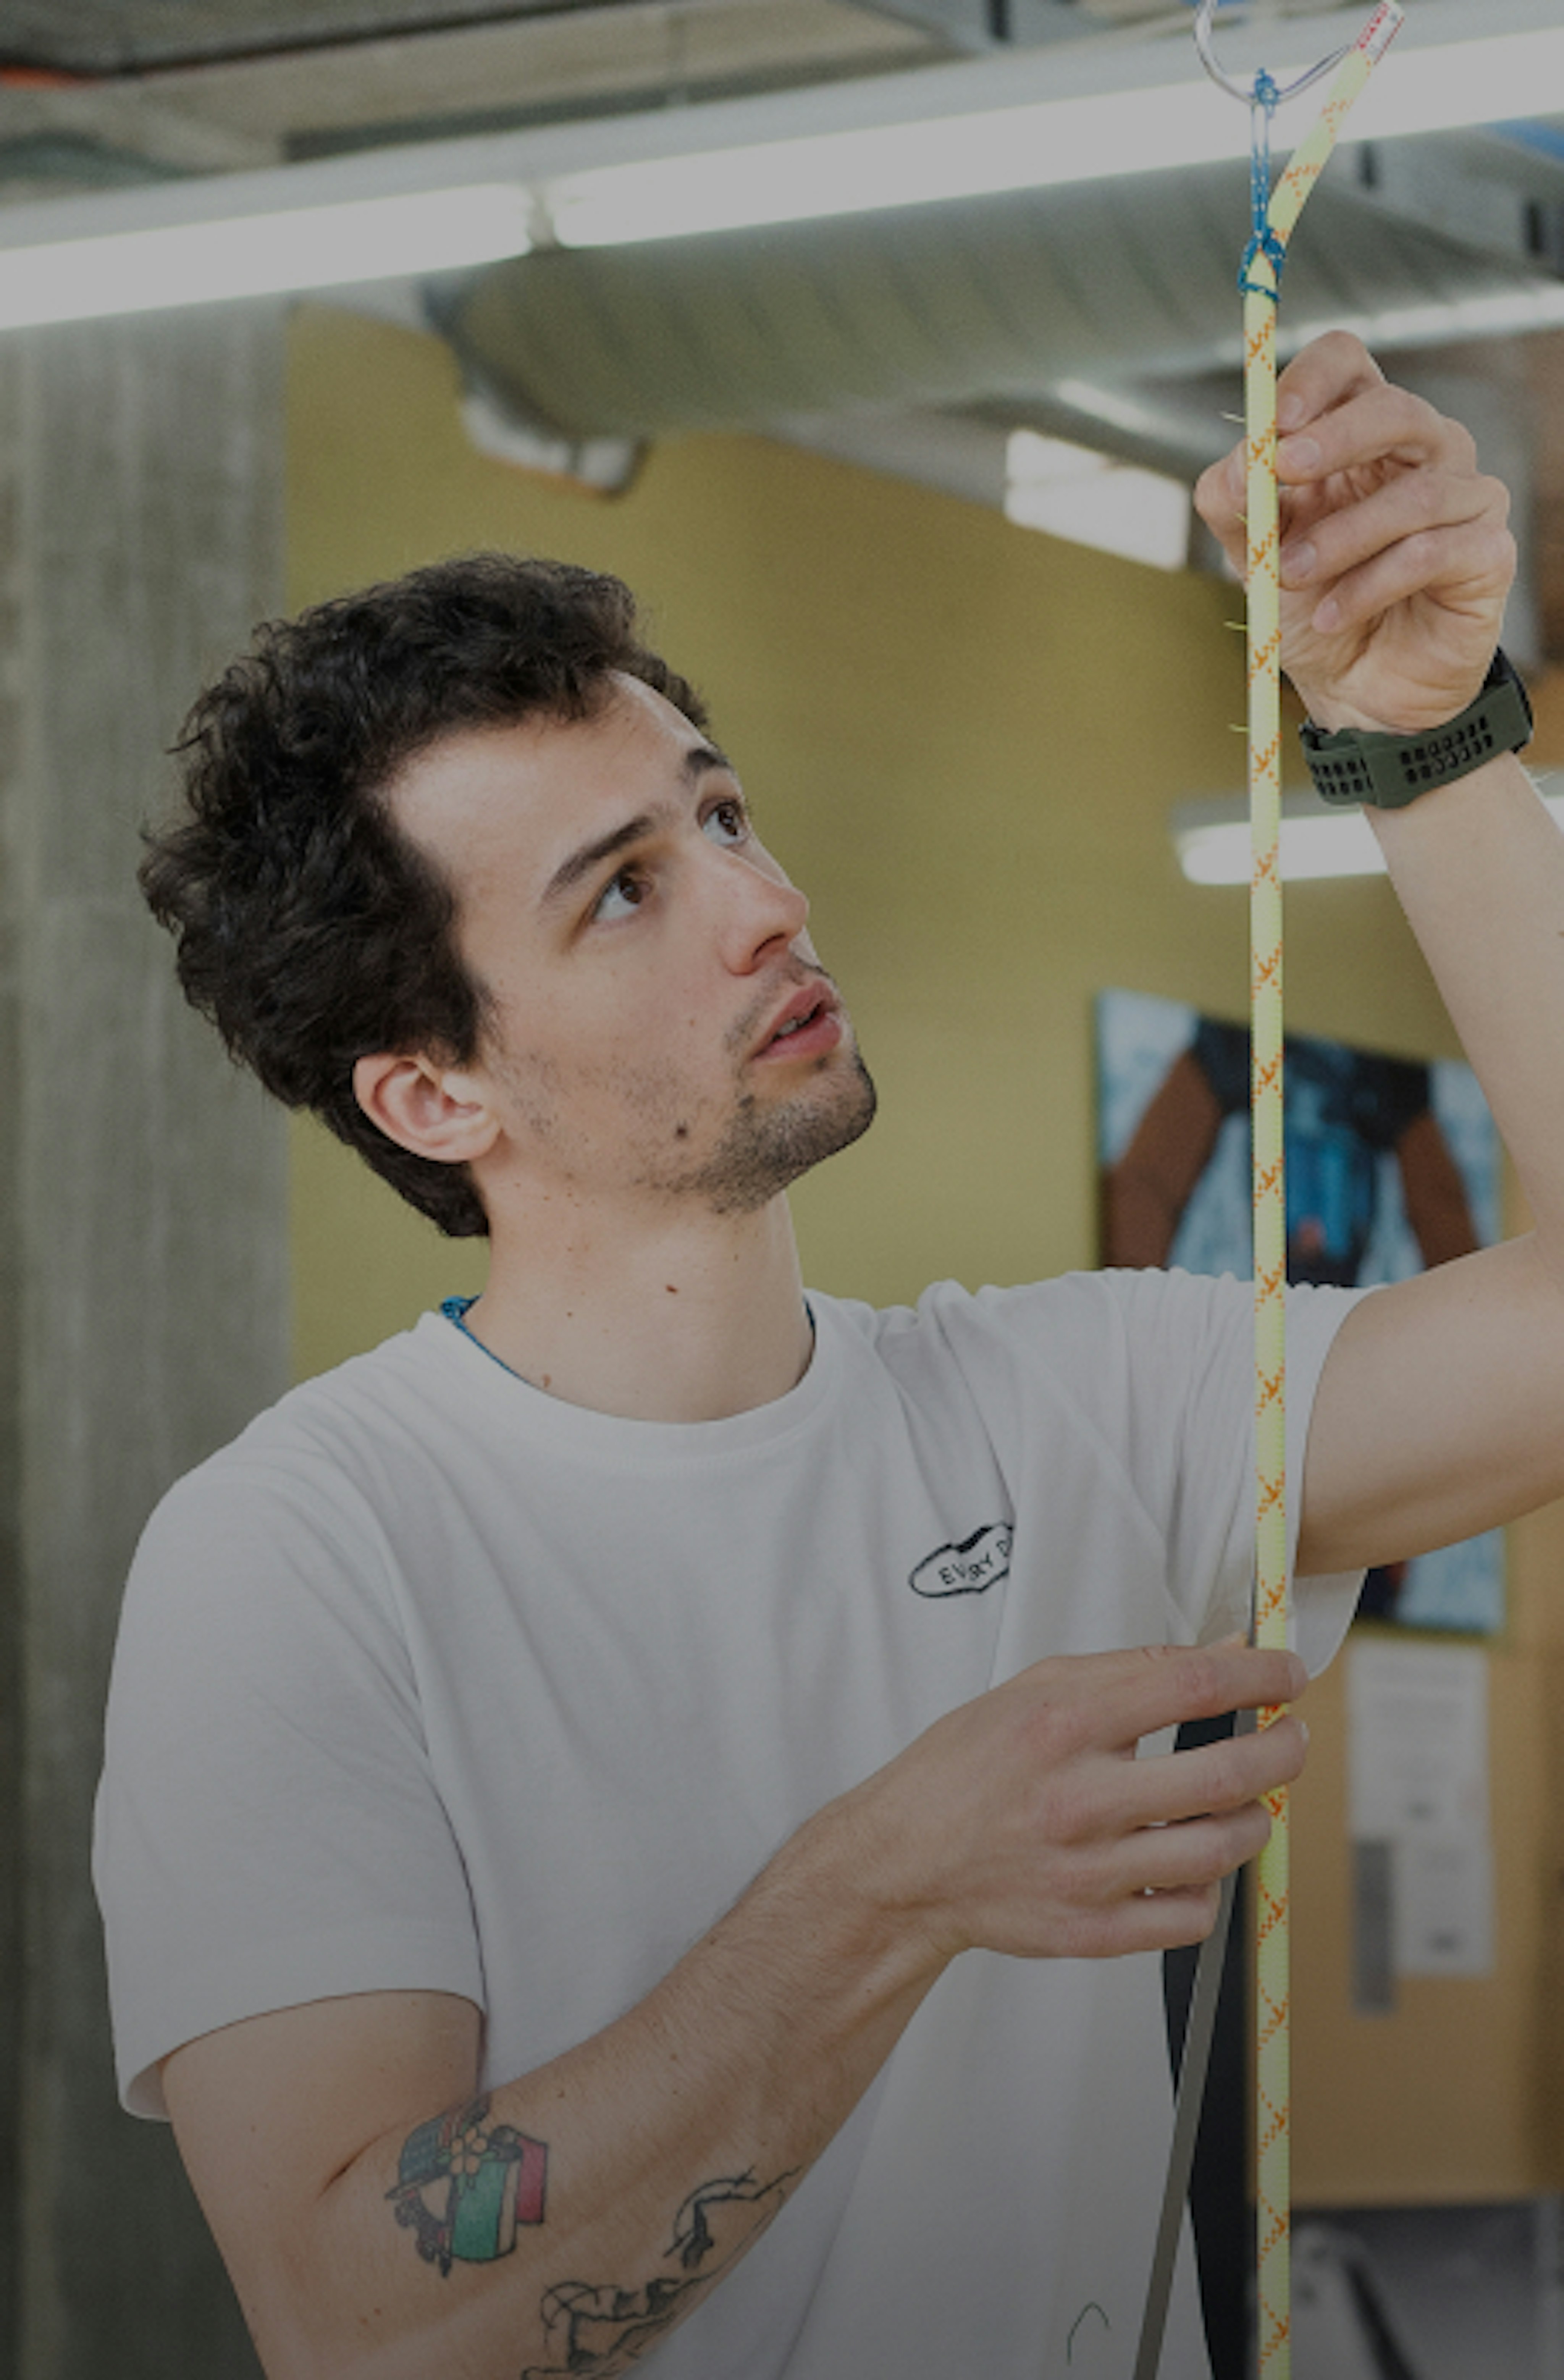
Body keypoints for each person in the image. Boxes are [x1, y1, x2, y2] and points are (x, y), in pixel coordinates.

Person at [93, 331, 1564, 2380]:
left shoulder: (1083, 1409)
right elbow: (359, 2330)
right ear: (432, 1095)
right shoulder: (296, 1556)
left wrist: (1431, 740)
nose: (766, 907)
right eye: (623, 896)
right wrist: (890, 1883)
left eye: (720, 815)